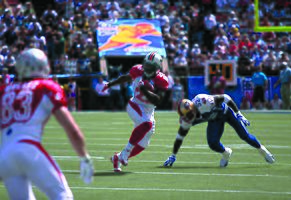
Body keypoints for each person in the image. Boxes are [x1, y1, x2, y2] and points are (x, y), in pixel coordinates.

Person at [0, 48, 94, 199]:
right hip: (28, 148)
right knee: (62, 195)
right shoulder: (45, 87)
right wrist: (84, 157)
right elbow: (73, 130)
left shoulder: (4, 90)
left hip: (4, 155)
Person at [163, 94, 275, 168]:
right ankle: (226, 153)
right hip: (215, 119)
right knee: (212, 143)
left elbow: (225, 97)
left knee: (244, 135)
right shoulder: (187, 120)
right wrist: (173, 155)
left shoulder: (204, 102)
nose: (191, 116)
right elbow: (180, 137)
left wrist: (238, 113)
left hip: (227, 112)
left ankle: (264, 151)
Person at [102, 51, 169, 172]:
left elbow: (158, 101)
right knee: (147, 124)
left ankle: (118, 157)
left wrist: (145, 90)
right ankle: (126, 153)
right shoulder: (138, 70)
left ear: (157, 68)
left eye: (151, 66)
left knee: (144, 144)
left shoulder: (161, 80)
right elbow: (126, 78)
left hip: (149, 110)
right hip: (135, 104)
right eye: (146, 65)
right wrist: (110, 84)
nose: (147, 68)